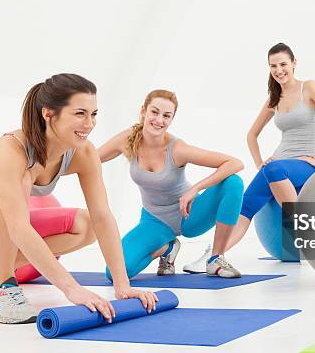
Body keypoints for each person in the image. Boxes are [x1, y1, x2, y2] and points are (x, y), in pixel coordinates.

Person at [0, 74, 156, 324]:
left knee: (87, 223)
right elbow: (18, 227)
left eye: (94, 114)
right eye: (80, 113)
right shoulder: (11, 150)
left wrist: (122, 285)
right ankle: (1, 289)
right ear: (49, 114)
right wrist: (71, 288)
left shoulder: (84, 152)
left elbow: (102, 217)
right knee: (16, 185)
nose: (89, 123)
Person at [204, 42, 315, 259]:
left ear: (294, 63)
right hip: (279, 166)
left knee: (275, 170)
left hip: (306, 164)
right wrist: (260, 163)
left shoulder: (309, 87)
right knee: (245, 206)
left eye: (283, 64)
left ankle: (310, 237)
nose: (279, 70)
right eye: (273, 66)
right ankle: (213, 256)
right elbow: (251, 135)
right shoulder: (274, 98)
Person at [98, 89, 245, 278]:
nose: (159, 120)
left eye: (166, 116)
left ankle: (216, 258)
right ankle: (167, 248)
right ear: (143, 111)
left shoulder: (177, 149)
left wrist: (195, 189)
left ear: (172, 119)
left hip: (189, 214)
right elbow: (92, 158)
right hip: (155, 220)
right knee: (115, 273)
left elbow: (234, 163)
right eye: (155, 112)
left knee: (233, 183)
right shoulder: (127, 140)